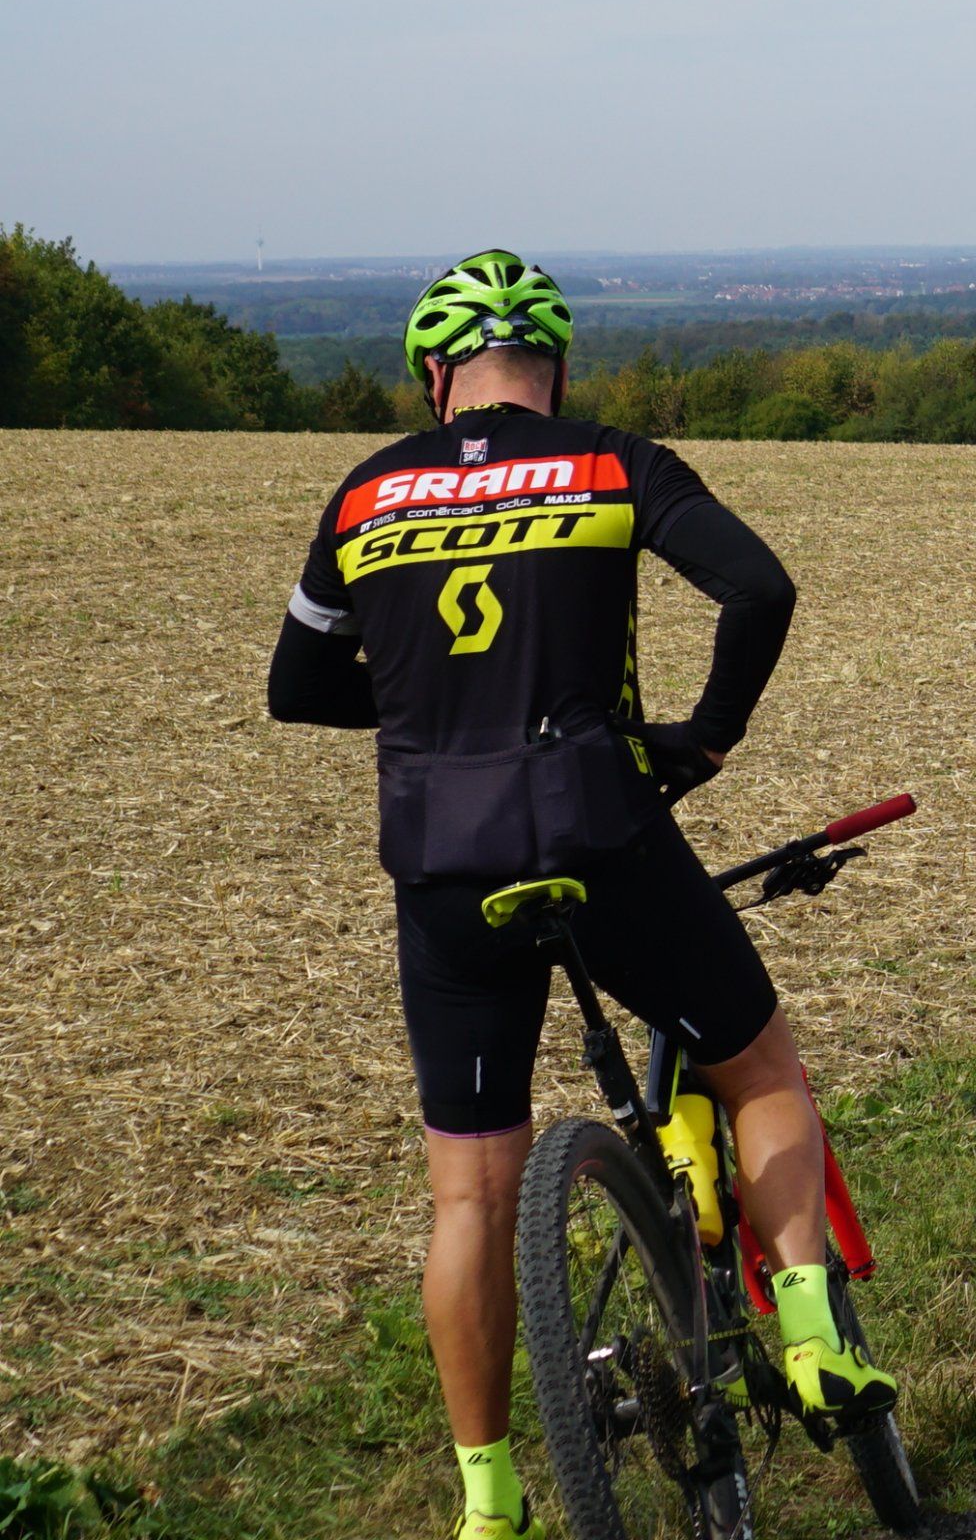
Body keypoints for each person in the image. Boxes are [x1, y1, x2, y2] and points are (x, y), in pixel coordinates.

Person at [266, 253, 895, 1540]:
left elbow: (298, 683)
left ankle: (489, 1503)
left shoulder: (370, 487)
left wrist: (435, 714)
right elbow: (761, 589)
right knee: (759, 1065)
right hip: (596, 826)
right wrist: (704, 736)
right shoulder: (611, 461)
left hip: (440, 859)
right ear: (556, 365)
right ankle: (820, 1335)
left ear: (433, 376)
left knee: (470, 1197)